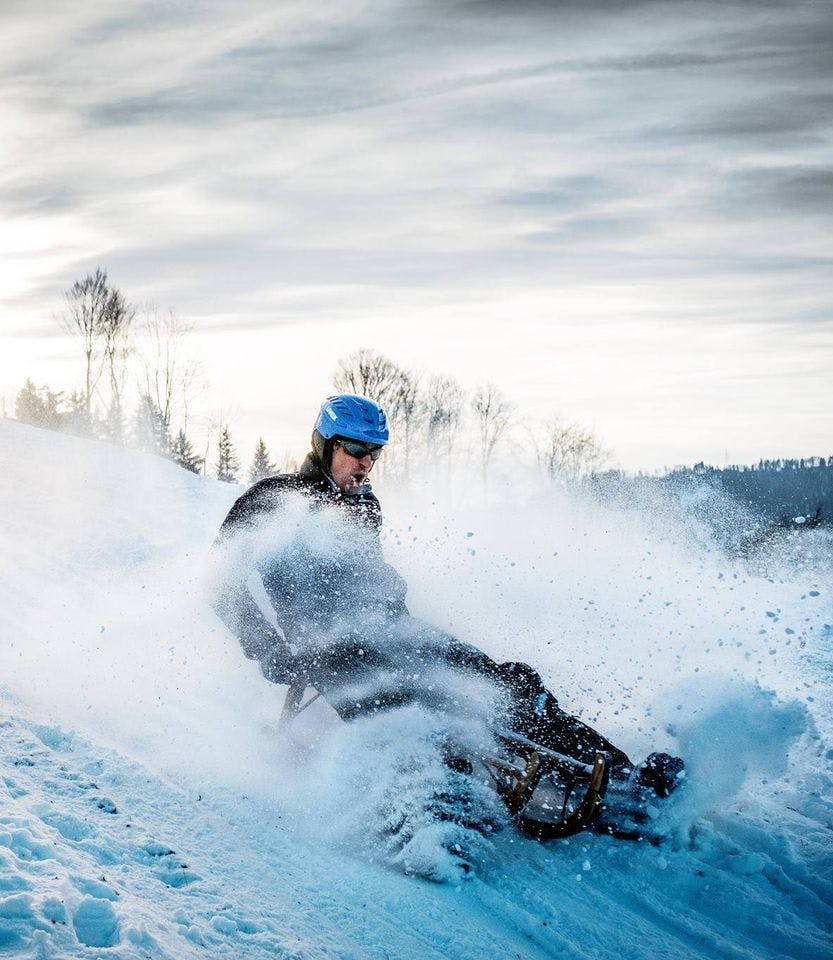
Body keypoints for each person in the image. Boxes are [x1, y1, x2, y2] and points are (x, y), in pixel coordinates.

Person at [212, 394, 683, 798]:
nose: (366, 462)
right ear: (325, 444)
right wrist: (269, 649)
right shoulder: (275, 499)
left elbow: (367, 573)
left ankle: (621, 777)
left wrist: (390, 594)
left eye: (374, 453)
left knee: (506, 685)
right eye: (356, 449)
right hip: (325, 649)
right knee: (407, 710)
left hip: (388, 631)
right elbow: (220, 581)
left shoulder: (364, 507)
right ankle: (431, 815)